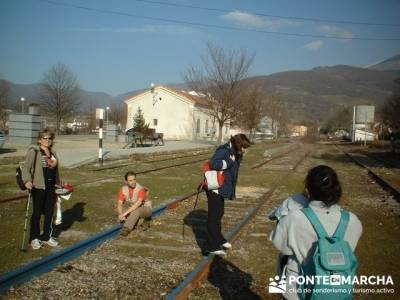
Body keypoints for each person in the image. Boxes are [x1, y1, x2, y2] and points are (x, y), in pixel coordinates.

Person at [269, 165, 363, 300]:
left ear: (308, 189)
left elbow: (281, 247)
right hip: (338, 291)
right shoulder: (353, 221)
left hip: (298, 292)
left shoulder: (294, 218)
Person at [206, 133, 251, 257]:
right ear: (239, 145)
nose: (245, 150)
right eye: (244, 147)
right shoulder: (224, 150)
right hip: (214, 187)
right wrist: (229, 162)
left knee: (219, 214)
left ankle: (219, 239)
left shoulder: (235, 152)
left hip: (221, 187)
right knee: (213, 217)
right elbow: (214, 163)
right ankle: (211, 246)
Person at [21, 129, 61, 250]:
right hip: (38, 187)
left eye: (49, 138)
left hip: (50, 187)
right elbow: (26, 167)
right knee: (37, 213)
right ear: (39, 140)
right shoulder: (34, 151)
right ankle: (35, 238)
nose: (47, 140)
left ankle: (47, 236)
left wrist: (59, 184)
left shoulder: (53, 152)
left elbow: (56, 171)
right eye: (45, 138)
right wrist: (27, 180)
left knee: (49, 213)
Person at [117, 171, 152, 236]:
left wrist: (125, 213)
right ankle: (142, 222)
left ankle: (126, 228)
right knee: (120, 211)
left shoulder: (140, 189)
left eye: (134, 179)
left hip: (145, 209)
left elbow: (138, 203)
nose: (133, 182)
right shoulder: (123, 189)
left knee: (136, 211)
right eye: (130, 180)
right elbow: (120, 203)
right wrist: (120, 214)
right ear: (126, 182)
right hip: (133, 208)